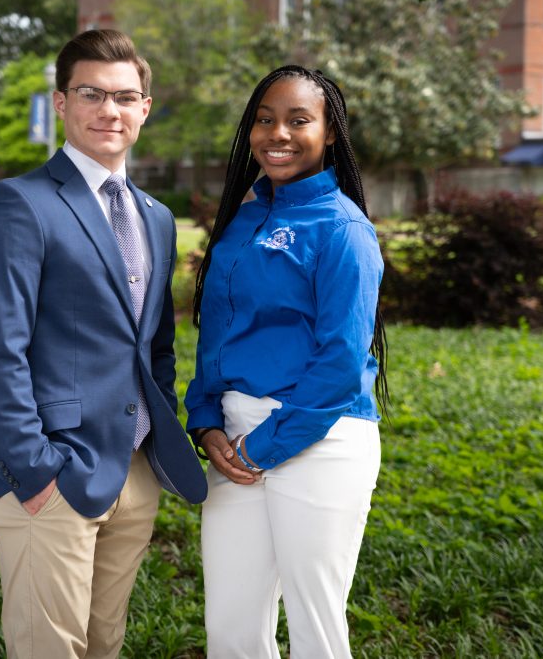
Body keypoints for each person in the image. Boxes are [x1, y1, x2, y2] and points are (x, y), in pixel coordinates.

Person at [0, 29, 208, 659]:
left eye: (126, 97)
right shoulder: (19, 203)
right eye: (92, 93)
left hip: (133, 470)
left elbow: (154, 343)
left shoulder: (155, 215)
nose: (110, 110)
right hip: (52, 477)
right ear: (61, 102)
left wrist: (157, 436)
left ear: (145, 109)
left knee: (103, 645)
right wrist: (34, 470)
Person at [184, 65, 388, 659]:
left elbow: (342, 361)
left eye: (300, 120)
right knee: (230, 630)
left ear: (330, 134)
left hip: (320, 437)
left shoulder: (343, 228)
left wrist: (265, 445)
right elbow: (217, 331)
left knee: (315, 631)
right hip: (234, 437)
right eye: (265, 120)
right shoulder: (244, 220)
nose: (279, 133)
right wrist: (205, 421)